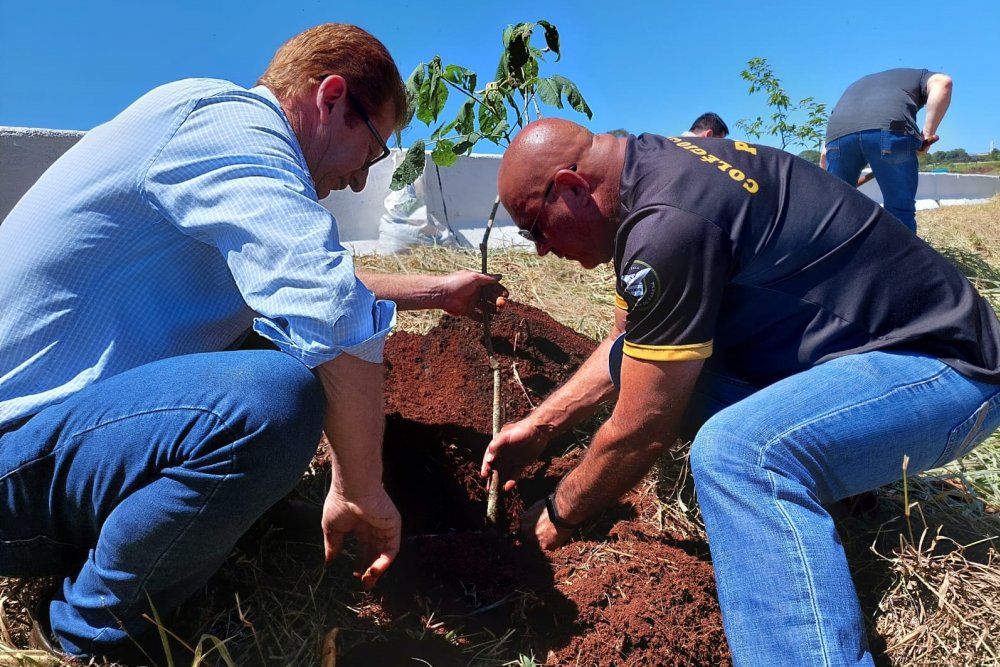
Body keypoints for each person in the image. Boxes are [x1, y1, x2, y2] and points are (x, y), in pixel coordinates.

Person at [0, 24, 505, 659]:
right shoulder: (232, 129)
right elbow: (327, 308)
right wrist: (360, 487)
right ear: (330, 97)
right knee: (273, 395)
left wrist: (437, 291)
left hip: (43, 442)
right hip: (10, 462)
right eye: (372, 151)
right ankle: (89, 637)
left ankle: (159, 530)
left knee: (269, 343)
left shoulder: (206, 135)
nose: (357, 182)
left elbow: (307, 279)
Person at [481, 118, 1000, 666]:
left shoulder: (668, 222)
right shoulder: (654, 173)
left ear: (572, 187)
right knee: (640, 363)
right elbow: (626, 340)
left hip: (943, 370)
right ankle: (845, 488)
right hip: (865, 352)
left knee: (739, 454)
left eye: (535, 228)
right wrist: (540, 425)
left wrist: (560, 513)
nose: (539, 251)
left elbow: (644, 426)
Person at [824, 68, 953, 232]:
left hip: (837, 135)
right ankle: (899, 256)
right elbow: (943, 82)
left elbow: (824, 155)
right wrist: (927, 134)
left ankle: (836, 255)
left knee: (835, 210)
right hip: (893, 127)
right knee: (899, 211)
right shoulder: (921, 76)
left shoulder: (856, 87)